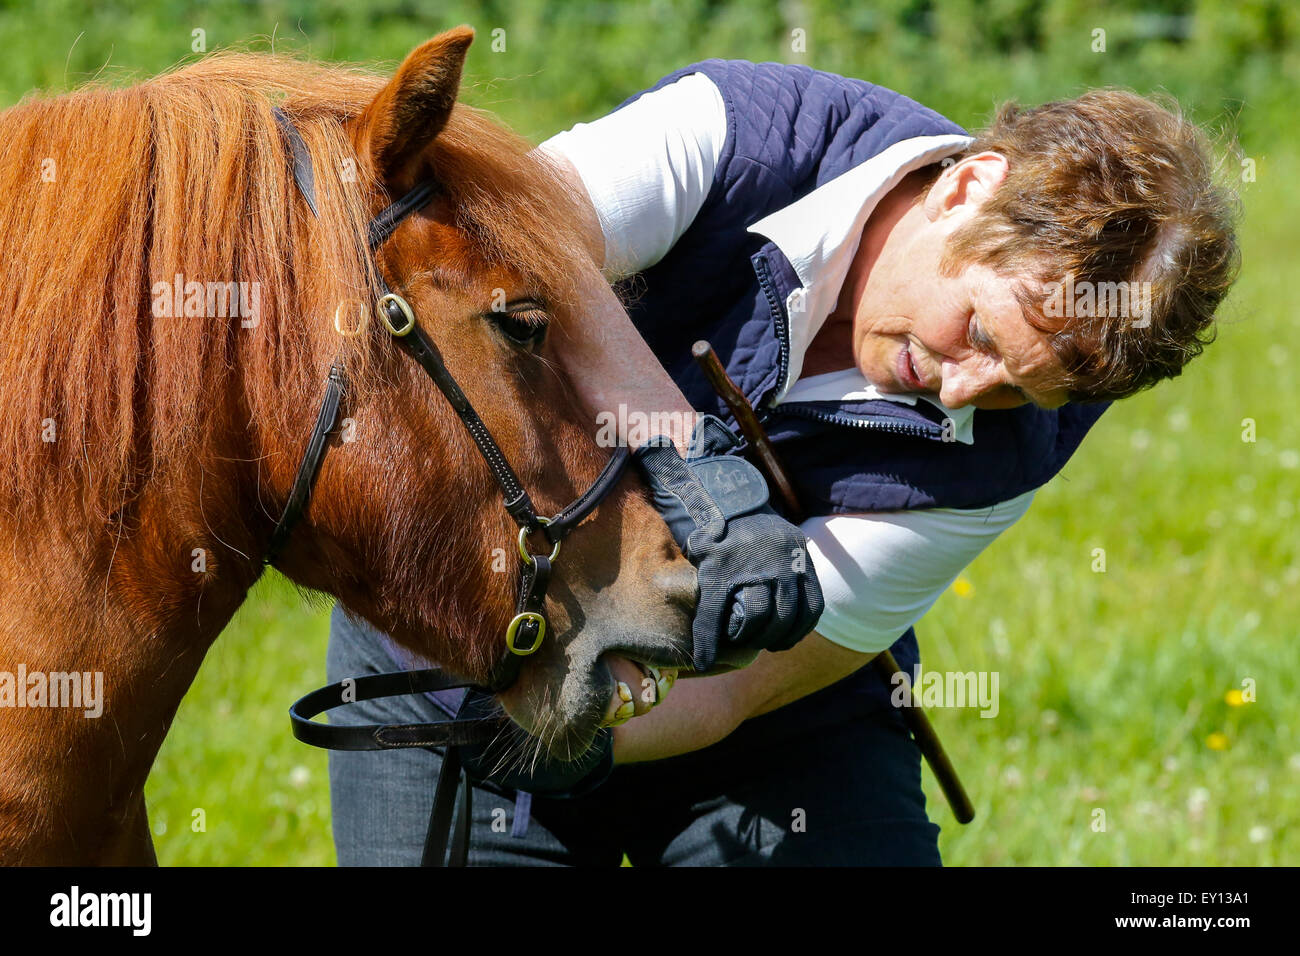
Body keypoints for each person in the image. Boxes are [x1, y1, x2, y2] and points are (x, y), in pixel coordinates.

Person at [326, 58, 1239, 865]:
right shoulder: (737, 131)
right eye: (979, 333)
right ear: (970, 191)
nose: (961, 394)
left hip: (761, 725)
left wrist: (587, 721)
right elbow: (501, 256)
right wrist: (681, 461)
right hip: (473, 642)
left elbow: (741, 694)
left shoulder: (1012, 453)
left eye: (1015, 389)